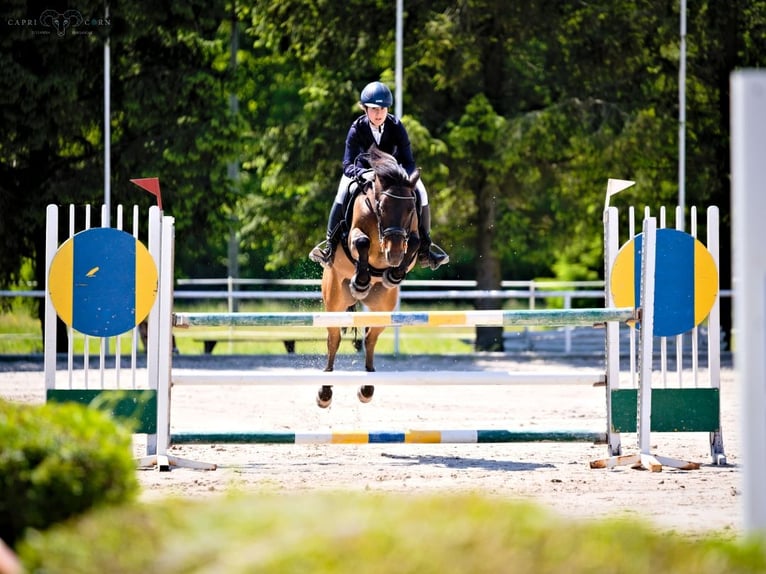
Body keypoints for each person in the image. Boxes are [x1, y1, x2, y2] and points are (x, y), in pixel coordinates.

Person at [309, 81, 449, 270]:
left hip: (394, 175)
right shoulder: (356, 128)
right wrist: (364, 174)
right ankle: (329, 246)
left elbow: (408, 161)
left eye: (383, 109)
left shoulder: (396, 126)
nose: (379, 114)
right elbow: (347, 164)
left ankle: (425, 248)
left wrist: (405, 178)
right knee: (342, 191)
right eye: (374, 109)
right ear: (364, 108)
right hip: (362, 172)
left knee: (421, 192)